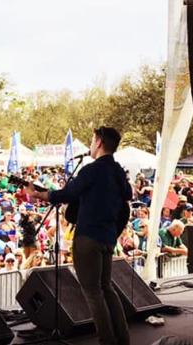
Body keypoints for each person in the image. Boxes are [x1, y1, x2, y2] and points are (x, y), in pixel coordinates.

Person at [25, 126, 131, 345]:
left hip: (88, 238)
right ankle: (122, 338)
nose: (91, 145)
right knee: (106, 288)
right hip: (108, 238)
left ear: (99, 142)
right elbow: (125, 202)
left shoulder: (92, 170)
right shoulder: (118, 172)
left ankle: (107, 341)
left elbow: (67, 194)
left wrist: (37, 193)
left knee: (93, 292)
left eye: (92, 140)